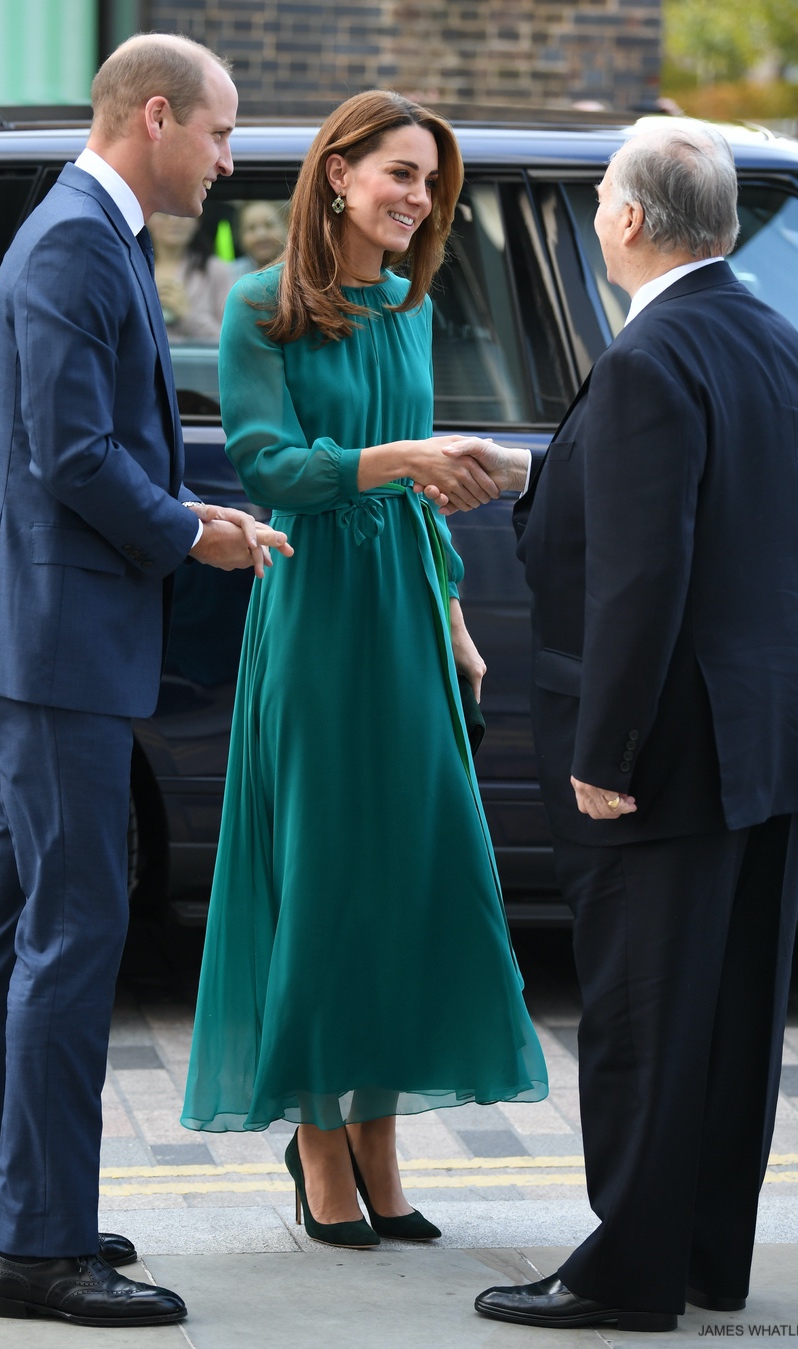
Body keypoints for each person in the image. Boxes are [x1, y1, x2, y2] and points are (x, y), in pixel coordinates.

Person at [0, 32, 292, 1329]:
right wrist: (195, 530)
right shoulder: (80, 243)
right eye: (221, 131)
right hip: (56, 647)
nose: (230, 156)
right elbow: (75, 457)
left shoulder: (85, 234)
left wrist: (193, 508)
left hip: (36, 638)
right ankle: (42, 1246)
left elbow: (85, 449)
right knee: (73, 935)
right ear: (157, 115)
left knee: (6, 932)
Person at [454, 124, 798, 1331]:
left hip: (666, 746)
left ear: (626, 219)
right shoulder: (769, 334)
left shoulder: (649, 357)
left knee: (643, 1014)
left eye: (607, 193)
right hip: (766, 728)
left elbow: (640, 578)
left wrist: (601, 756)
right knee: (728, 1014)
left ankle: (627, 1273)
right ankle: (708, 1252)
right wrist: (543, 472)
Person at [181, 89, 548, 1248]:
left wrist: (454, 615)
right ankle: (320, 1137)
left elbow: (429, 498)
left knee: (409, 875)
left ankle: (381, 1137)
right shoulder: (260, 309)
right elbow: (268, 467)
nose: (419, 198)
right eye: (400, 172)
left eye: (431, 181)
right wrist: (395, 459)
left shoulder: (410, 306)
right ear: (336, 174)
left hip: (404, 613)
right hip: (319, 618)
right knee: (328, 877)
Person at [147, 210, 234, 341]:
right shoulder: (132, 267)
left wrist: (187, 315)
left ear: (197, 221)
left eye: (183, 215)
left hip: (199, 360)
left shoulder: (216, 270)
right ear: (147, 219)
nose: (174, 221)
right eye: (164, 214)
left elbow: (229, 341)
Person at [224, 198, 288, 288]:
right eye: (251, 228)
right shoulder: (231, 275)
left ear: (286, 228)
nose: (261, 235)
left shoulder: (299, 270)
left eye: (268, 225)